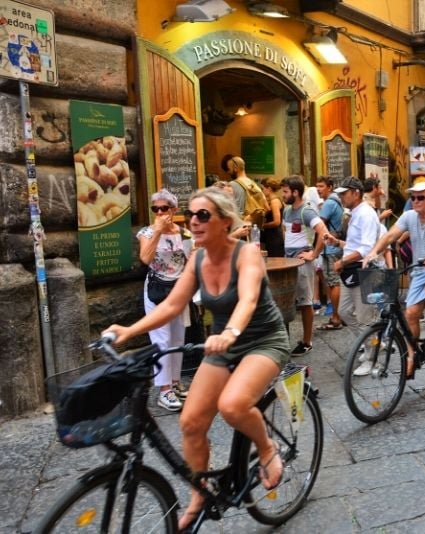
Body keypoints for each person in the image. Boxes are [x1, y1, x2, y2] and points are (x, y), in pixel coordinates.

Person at [105, 188, 290, 531]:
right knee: (190, 422)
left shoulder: (246, 253)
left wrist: (230, 333)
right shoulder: (198, 259)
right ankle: (199, 494)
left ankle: (266, 447)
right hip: (221, 346)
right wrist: (129, 331)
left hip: (263, 341)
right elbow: (173, 305)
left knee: (233, 405)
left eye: (203, 215)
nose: (194, 220)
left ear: (223, 221)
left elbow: (248, 299)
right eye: (191, 214)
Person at [363, 181, 425, 377]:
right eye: (413, 197)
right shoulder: (409, 217)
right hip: (419, 271)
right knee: (411, 314)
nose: (415, 201)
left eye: (421, 197)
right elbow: (390, 236)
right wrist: (373, 252)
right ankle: (411, 356)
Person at [137, 189, 191, 411]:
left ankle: (175, 382)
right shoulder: (146, 233)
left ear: (174, 210)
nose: (159, 213)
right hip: (157, 291)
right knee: (161, 339)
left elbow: (190, 262)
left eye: (164, 208)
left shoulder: (185, 234)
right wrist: (157, 232)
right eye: (155, 209)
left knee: (178, 339)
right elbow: (145, 258)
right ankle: (164, 390)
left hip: (179, 291)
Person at [323, 177, 384, 375]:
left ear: (355, 193)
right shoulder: (356, 213)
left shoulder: (365, 214)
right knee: (344, 311)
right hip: (354, 271)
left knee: (366, 317)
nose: (341, 197)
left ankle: (371, 356)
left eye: (344, 193)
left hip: (365, 271)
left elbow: (365, 249)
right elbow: (355, 245)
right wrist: (336, 242)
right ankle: (370, 344)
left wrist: (342, 262)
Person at [281, 175, 328, 355]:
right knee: (291, 300)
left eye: (285, 191)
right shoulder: (287, 211)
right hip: (289, 260)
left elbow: (323, 232)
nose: (283, 195)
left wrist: (314, 254)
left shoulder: (306, 211)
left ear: (295, 192)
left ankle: (307, 341)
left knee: (305, 302)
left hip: (302, 260)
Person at [315, 176, 345, 330]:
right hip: (337, 247)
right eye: (317, 186)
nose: (318, 189)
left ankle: (335, 318)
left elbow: (320, 228)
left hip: (331, 248)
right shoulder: (337, 201)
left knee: (333, 283)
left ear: (330, 187)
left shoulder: (328, 203)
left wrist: (315, 252)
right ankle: (339, 315)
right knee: (336, 282)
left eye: (321, 186)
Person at [260, 178, 285, 257]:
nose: (262, 191)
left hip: (274, 237)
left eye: (263, 188)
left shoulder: (274, 201)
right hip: (269, 236)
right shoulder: (271, 201)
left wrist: (263, 225)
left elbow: (276, 222)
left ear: (269, 189)